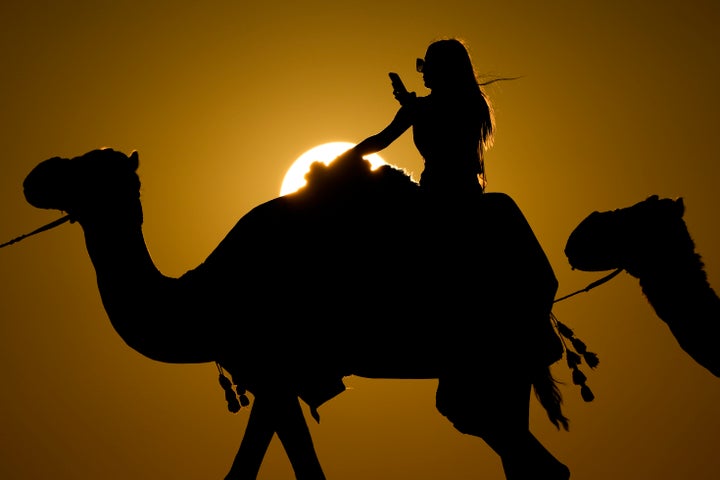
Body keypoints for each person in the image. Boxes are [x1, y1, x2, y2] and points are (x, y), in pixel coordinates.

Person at [342, 37, 495, 200]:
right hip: (468, 190)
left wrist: (343, 160)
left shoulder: (422, 108)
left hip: (436, 192)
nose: (422, 71)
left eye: (426, 64)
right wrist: (412, 106)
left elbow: (382, 139)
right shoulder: (473, 103)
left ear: (443, 68)